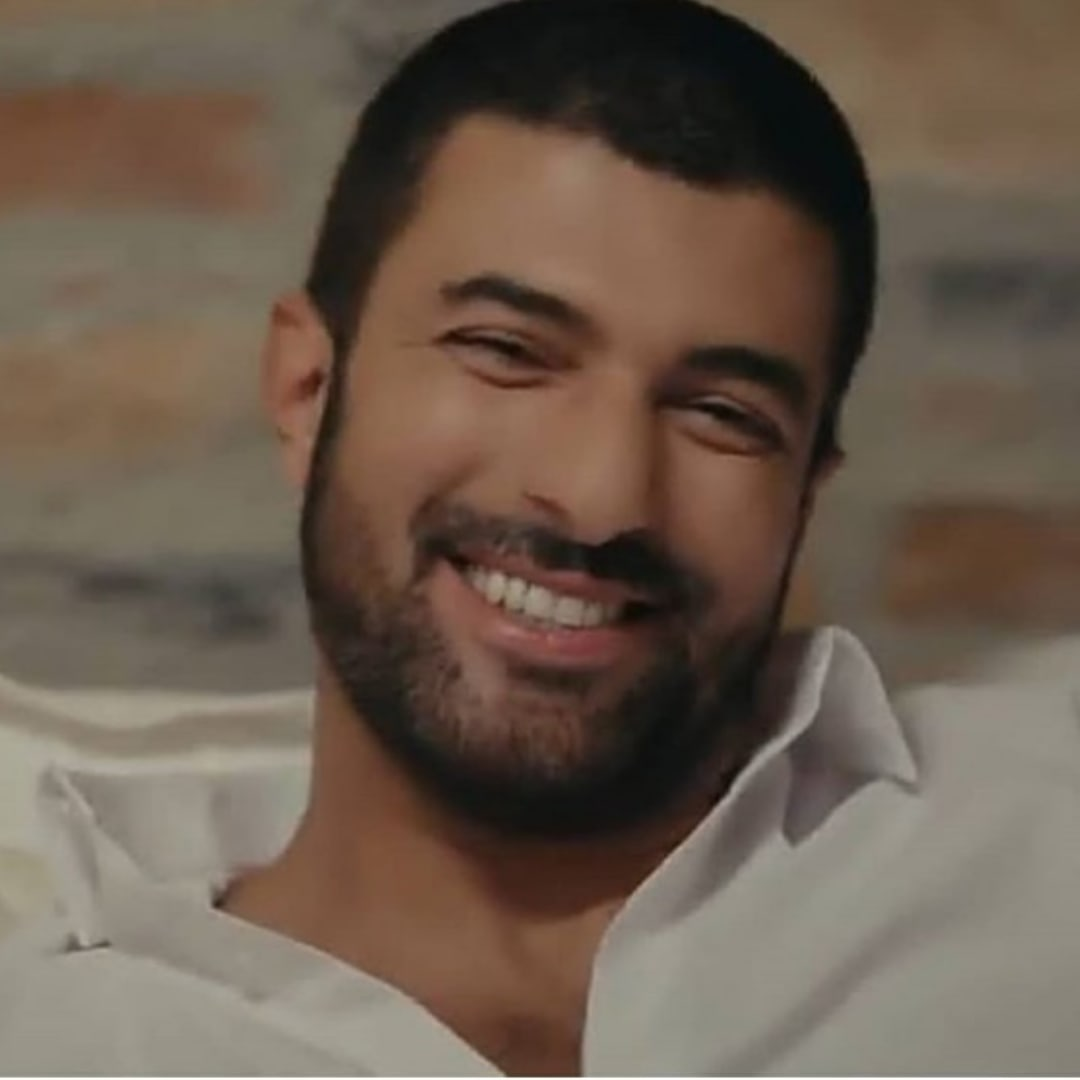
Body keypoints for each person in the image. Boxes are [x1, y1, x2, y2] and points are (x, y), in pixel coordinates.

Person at [2, 0, 1079, 1074]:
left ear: (803, 494)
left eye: (722, 414)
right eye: (508, 351)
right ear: (307, 388)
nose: (602, 497)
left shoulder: (1033, 849)